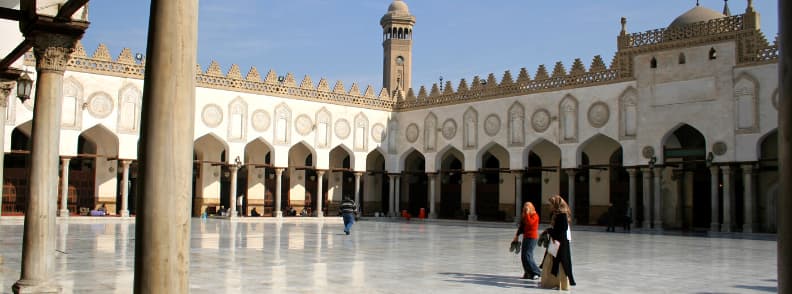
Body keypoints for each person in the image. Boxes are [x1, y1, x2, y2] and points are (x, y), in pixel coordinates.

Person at [540, 195, 576, 290]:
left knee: (559, 264)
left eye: (551, 204)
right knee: (550, 262)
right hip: (555, 243)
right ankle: (551, 283)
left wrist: (550, 231)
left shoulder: (562, 216)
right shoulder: (556, 215)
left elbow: (561, 231)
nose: (549, 206)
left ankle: (560, 284)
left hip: (560, 244)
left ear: (556, 204)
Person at [513, 201, 541, 280]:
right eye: (525, 207)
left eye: (527, 207)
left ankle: (537, 272)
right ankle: (528, 272)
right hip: (526, 237)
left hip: (532, 238)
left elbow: (530, 224)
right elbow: (522, 227)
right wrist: (517, 236)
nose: (526, 208)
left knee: (528, 255)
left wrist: (527, 214)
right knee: (523, 256)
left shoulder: (535, 215)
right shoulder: (525, 216)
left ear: (531, 207)